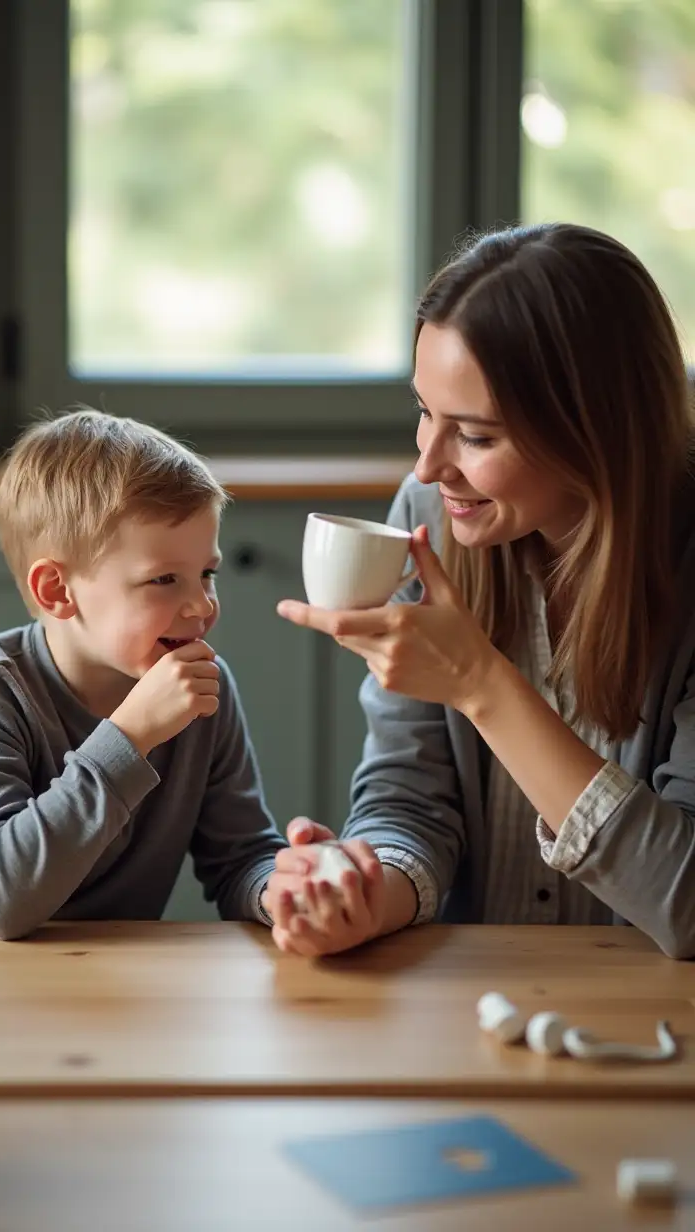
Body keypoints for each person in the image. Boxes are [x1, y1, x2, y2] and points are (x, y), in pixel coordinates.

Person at [264, 222, 695, 960]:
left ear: (595, 432)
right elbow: (409, 798)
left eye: (477, 436)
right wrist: (368, 888)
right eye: (425, 412)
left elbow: (687, 902)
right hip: (477, 1007)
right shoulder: (430, 519)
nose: (428, 467)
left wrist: (482, 686)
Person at [0, 409, 283, 938]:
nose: (201, 605)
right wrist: (130, 737)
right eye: (164, 579)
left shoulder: (199, 688)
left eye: (207, 574)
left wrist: (280, 890)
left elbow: (240, 855)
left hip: (108, 983)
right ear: (57, 591)